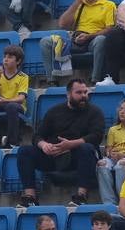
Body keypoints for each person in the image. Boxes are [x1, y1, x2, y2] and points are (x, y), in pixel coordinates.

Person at [15, 78, 105, 206]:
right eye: (79, 93)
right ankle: (30, 197)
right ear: (68, 94)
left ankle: (81, 196)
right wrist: (44, 145)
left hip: (78, 156)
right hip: (53, 155)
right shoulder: (54, 111)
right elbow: (37, 136)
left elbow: (96, 136)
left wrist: (70, 145)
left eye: (85, 92)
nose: (84, 96)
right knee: (24, 151)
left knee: (87, 148)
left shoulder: (95, 112)